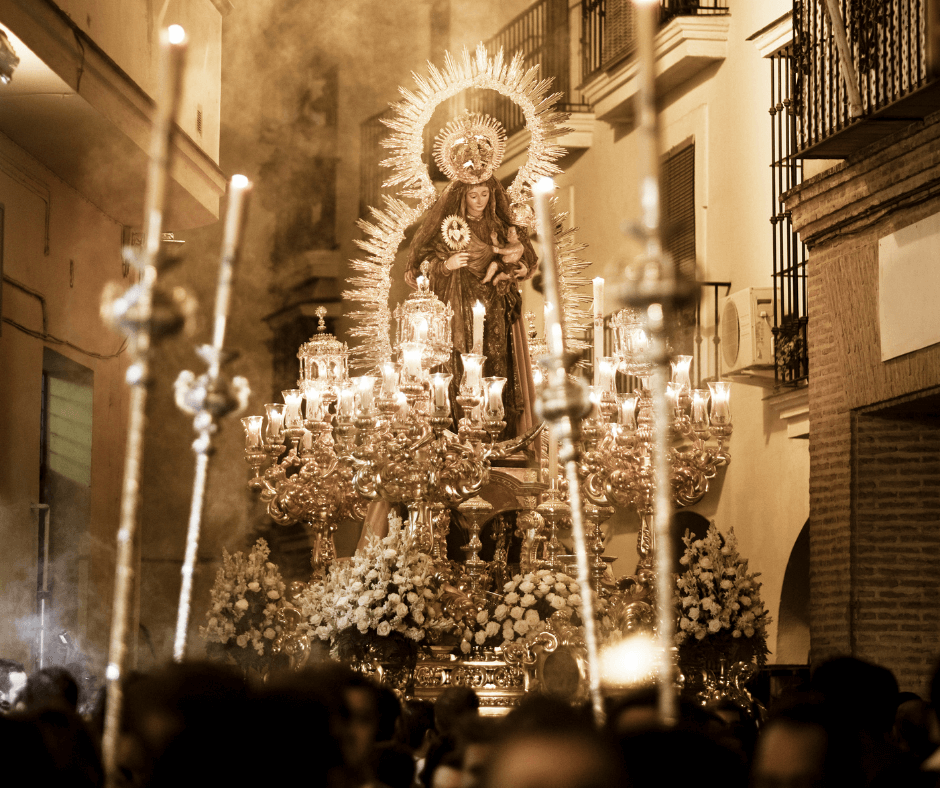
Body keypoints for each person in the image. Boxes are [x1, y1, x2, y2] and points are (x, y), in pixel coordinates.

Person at [405, 113, 539, 441]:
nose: (479, 202)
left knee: (497, 364)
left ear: (492, 195)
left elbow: (524, 256)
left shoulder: (498, 226)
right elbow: (419, 267)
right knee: (457, 363)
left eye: (484, 195)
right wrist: (445, 266)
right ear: (462, 197)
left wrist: (523, 268)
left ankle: (498, 434)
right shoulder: (444, 229)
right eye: (473, 196)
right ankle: (456, 431)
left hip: (495, 308)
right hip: (457, 305)